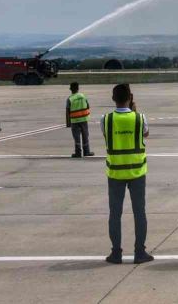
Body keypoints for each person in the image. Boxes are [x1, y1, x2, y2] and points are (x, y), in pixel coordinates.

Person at [102, 83, 153, 265]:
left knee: (115, 214)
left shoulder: (106, 119)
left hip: (115, 173)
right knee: (139, 212)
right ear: (130, 98)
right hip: (137, 172)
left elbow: (107, 136)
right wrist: (135, 110)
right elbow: (145, 135)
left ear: (113, 99)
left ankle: (116, 253)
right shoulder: (140, 118)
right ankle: (140, 252)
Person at [66, 82, 94, 158]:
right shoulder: (83, 96)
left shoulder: (70, 99)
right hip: (84, 119)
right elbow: (88, 106)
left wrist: (68, 123)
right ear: (78, 88)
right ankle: (86, 152)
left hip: (74, 121)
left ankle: (78, 153)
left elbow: (67, 111)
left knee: (76, 137)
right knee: (85, 135)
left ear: (71, 89)